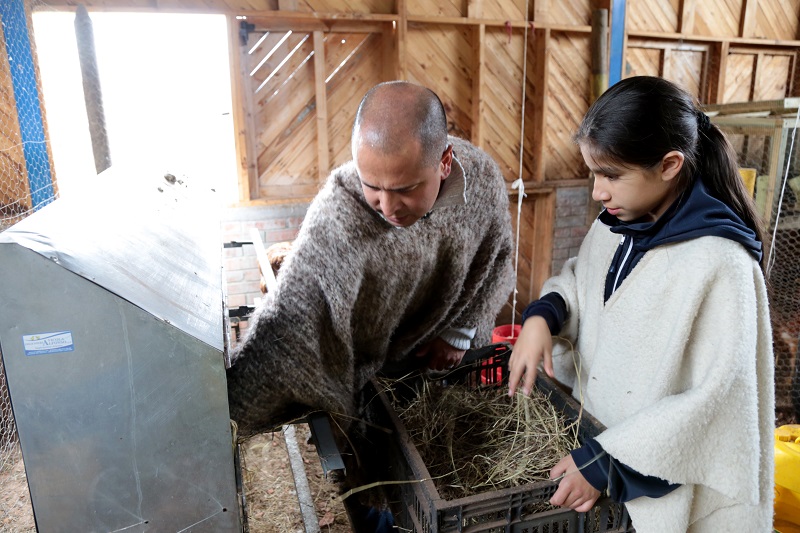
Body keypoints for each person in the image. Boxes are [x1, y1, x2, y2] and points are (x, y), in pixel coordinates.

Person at [507, 76, 774, 532]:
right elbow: (580, 285)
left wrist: (610, 463)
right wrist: (541, 317)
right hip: (594, 451)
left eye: (610, 175)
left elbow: (719, 401)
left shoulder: (720, 262)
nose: (597, 191)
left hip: (660, 492)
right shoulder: (616, 225)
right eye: (594, 173)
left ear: (670, 164)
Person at [226, 81, 514, 436]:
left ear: (444, 162)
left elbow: (497, 255)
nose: (388, 207)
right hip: (379, 374)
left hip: (448, 362)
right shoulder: (341, 211)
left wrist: (460, 331)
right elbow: (292, 317)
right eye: (372, 186)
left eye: (405, 189)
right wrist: (229, 415)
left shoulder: (481, 180)